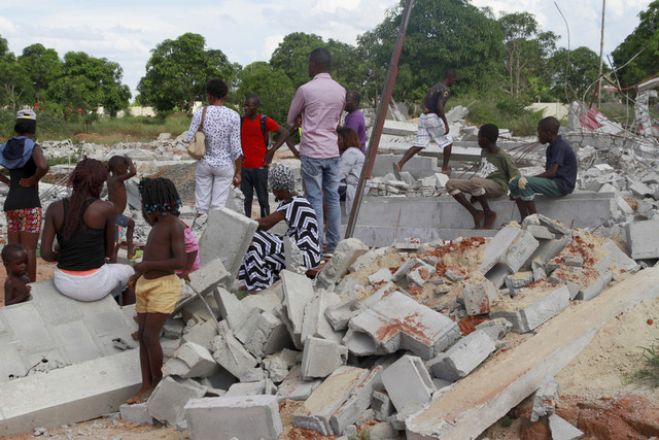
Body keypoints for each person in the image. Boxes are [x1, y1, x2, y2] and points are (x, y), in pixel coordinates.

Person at [40, 159, 134, 303]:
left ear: (75, 180)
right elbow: (108, 253)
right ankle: (125, 317)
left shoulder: (54, 208)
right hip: (95, 285)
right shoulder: (106, 208)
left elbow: (45, 254)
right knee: (130, 272)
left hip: (63, 282)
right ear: (99, 184)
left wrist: (68, 257)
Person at [128, 177, 187, 404]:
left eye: (145, 202)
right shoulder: (156, 226)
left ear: (154, 203)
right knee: (143, 337)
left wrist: (147, 266)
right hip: (145, 285)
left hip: (164, 287)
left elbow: (180, 262)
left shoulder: (173, 225)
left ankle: (158, 384)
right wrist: (138, 274)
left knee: (151, 336)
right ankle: (146, 384)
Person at [286, 48, 346, 254]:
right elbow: (337, 119)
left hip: (312, 150)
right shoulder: (341, 90)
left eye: (308, 64)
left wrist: (302, 117)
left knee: (314, 199)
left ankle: (316, 245)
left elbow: (290, 119)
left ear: (313, 64)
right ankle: (335, 244)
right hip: (332, 150)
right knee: (333, 198)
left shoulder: (306, 90)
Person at [239, 164, 321, 293]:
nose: (274, 193)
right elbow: (265, 227)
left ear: (280, 188)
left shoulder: (295, 202)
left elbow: (265, 224)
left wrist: (242, 224)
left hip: (305, 254)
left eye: (274, 189)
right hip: (296, 247)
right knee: (257, 243)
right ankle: (251, 282)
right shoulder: (291, 201)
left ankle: (260, 286)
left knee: (256, 240)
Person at [0, 109, 49, 282]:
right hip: (30, 205)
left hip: (11, 205)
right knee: (28, 250)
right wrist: (32, 179)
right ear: (33, 128)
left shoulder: (6, 146)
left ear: (17, 126)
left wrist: (7, 181)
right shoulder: (32, 146)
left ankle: (14, 285)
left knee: (14, 250)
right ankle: (30, 290)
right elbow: (43, 166)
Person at [184, 79, 243, 222]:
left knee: (201, 207)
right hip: (225, 166)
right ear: (225, 95)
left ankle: (199, 234)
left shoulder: (200, 113)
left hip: (204, 163)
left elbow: (189, 137)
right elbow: (236, 147)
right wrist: (238, 172)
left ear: (209, 95)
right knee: (218, 207)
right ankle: (213, 237)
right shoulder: (234, 116)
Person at [445, 124, 519, 229]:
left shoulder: (503, 156)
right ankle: (475, 213)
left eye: (479, 138)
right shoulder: (484, 151)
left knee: (476, 181)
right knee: (450, 184)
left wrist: (513, 193)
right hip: (483, 186)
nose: (478, 140)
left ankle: (488, 213)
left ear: (485, 139)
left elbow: (516, 176)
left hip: (498, 186)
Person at [509, 117, 578, 220]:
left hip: (561, 185)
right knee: (513, 181)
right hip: (554, 182)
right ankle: (524, 218)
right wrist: (515, 190)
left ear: (549, 133)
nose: (538, 135)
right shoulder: (551, 147)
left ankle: (535, 219)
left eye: (540, 132)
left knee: (523, 183)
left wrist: (529, 179)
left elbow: (551, 173)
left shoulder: (560, 146)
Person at [395, 69, 457, 176]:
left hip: (423, 118)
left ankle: (400, 164)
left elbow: (424, 99)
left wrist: (424, 108)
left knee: (420, 144)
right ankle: (445, 168)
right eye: (454, 79)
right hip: (433, 118)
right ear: (450, 78)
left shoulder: (435, 86)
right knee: (448, 141)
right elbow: (439, 106)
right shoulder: (445, 90)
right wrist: (446, 123)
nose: (454, 82)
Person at [240, 93, 290, 218]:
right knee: (245, 200)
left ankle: (265, 230)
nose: (245, 108)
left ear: (256, 107)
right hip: (244, 167)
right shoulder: (241, 121)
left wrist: (272, 150)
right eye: (244, 105)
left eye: (249, 106)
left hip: (260, 168)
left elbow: (284, 132)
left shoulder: (264, 120)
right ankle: (246, 227)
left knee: (263, 200)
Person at [107, 155, 137, 259]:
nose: (127, 169)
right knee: (116, 240)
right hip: (114, 215)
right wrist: (129, 162)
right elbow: (133, 172)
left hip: (114, 214)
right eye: (125, 167)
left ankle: (129, 252)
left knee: (118, 238)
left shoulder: (110, 179)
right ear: (119, 169)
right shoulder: (117, 179)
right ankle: (124, 253)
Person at [338, 127, 365, 217]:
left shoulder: (351, 152)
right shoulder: (351, 152)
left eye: (338, 139)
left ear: (344, 139)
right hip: (350, 185)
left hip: (352, 188)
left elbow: (339, 175)